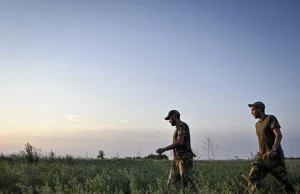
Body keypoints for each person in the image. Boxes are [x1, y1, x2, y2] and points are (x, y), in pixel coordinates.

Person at [247, 101, 295, 194]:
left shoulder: (270, 119)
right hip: (262, 157)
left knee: (285, 184)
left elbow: (278, 135)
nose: (251, 113)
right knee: (252, 177)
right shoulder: (257, 125)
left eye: (253, 110)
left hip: (274, 157)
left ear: (259, 109)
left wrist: (273, 150)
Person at [156, 110, 198, 193]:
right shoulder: (178, 128)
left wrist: (164, 149)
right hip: (177, 159)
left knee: (189, 184)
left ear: (173, 117)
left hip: (184, 159)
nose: (169, 121)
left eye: (169, 119)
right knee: (171, 183)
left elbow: (180, 142)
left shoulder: (182, 126)